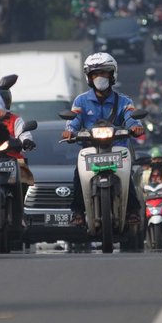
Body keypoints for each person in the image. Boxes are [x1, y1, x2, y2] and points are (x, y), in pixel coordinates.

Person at [61, 52, 145, 226]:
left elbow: (131, 118)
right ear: (89, 78)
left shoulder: (123, 101)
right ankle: (77, 211)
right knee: (78, 174)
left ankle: (132, 210)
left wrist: (134, 127)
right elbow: (74, 121)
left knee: (127, 175)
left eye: (104, 73)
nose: (100, 77)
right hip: (90, 149)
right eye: (95, 74)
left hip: (118, 149)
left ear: (112, 74)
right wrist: (69, 131)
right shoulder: (81, 101)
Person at [0, 78, 36, 197]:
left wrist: (26, 141)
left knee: (23, 171)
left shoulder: (15, 119)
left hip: (12, 159)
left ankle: (19, 206)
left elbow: (24, 134)